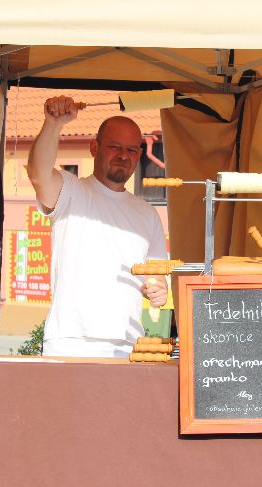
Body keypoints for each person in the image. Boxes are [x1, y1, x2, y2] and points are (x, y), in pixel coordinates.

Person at [27, 96, 168, 357]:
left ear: (139, 155)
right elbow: (38, 174)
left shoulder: (148, 214)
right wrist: (53, 125)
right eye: (115, 147)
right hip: (70, 342)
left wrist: (159, 290)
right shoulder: (71, 191)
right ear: (94, 147)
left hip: (127, 345)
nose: (123, 156)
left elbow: (156, 276)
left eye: (132, 150)